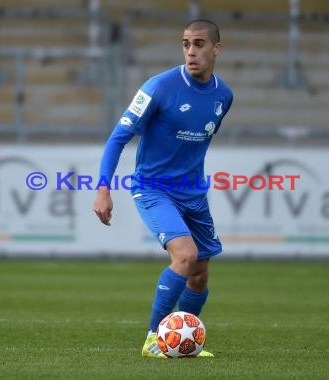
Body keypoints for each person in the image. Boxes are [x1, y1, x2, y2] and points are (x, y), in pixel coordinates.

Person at [93, 19, 233, 358]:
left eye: (199, 44)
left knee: (199, 274)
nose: (191, 51)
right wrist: (103, 188)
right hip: (153, 188)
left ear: (216, 48)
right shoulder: (158, 87)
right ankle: (153, 340)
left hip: (193, 193)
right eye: (186, 43)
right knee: (185, 256)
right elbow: (118, 137)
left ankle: (182, 343)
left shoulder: (224, 96)